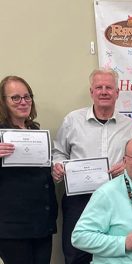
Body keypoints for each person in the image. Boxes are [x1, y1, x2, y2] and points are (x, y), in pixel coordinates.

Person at [52, 68, 132, 264]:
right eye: (98, 87)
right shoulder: (72, 120)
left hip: (117, 198)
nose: (104, 91)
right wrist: (58, 166)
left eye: (109, 87)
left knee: (113, 252)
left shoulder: (130, 126)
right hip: (78, 200)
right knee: (75, 253)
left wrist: (127, 167)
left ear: (117, 93)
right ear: (91, 92)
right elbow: (59, 152)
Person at [0, 76, 58, 263]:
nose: (23, 102)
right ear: (3, 102)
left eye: (27, 96)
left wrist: (54, 170)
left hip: (42, 223)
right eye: (15, 98)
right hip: (12, 228)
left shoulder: (36, 131)